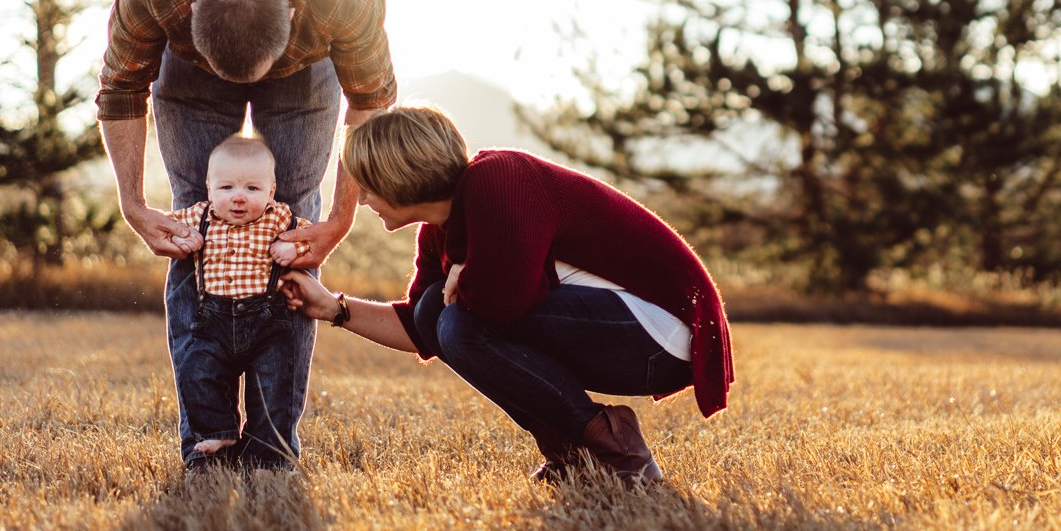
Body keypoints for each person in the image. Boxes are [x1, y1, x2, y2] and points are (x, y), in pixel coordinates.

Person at [95, 0, 396, 470]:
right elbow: (120, 89)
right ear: (190, 12)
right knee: (196, 223)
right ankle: (207, 437)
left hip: (306, 68)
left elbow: (369, 103)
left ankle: (270, 442)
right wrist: (134, 205)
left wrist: (336, 220)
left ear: (291, 14)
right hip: (191, 65)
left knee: (293, 228)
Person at [280, 105, 734, 485]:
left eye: (368, 185)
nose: (363, 201)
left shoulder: (498, 179)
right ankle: (575, 454)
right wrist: (331, 308)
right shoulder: (439, 231)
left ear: (398, 176)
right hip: (620, 327)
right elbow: (422, 328)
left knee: (457, 321)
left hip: (662, 331)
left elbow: (501, 302)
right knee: (440, 314)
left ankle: (616, 448)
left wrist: (464, 277)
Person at [164, 135, 311, 463]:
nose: (239, 198)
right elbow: (164, 226)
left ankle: (267, 456)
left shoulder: (278, 218)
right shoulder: (200, 216)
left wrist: (294, 248)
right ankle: (220, 431)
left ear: (271, 192)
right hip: (212, 322)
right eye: (226, 188)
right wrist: (177, 237)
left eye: (252, 189)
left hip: (267, 324)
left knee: (273, 388)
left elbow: (310, 237)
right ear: (209, 188)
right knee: (195, 371)